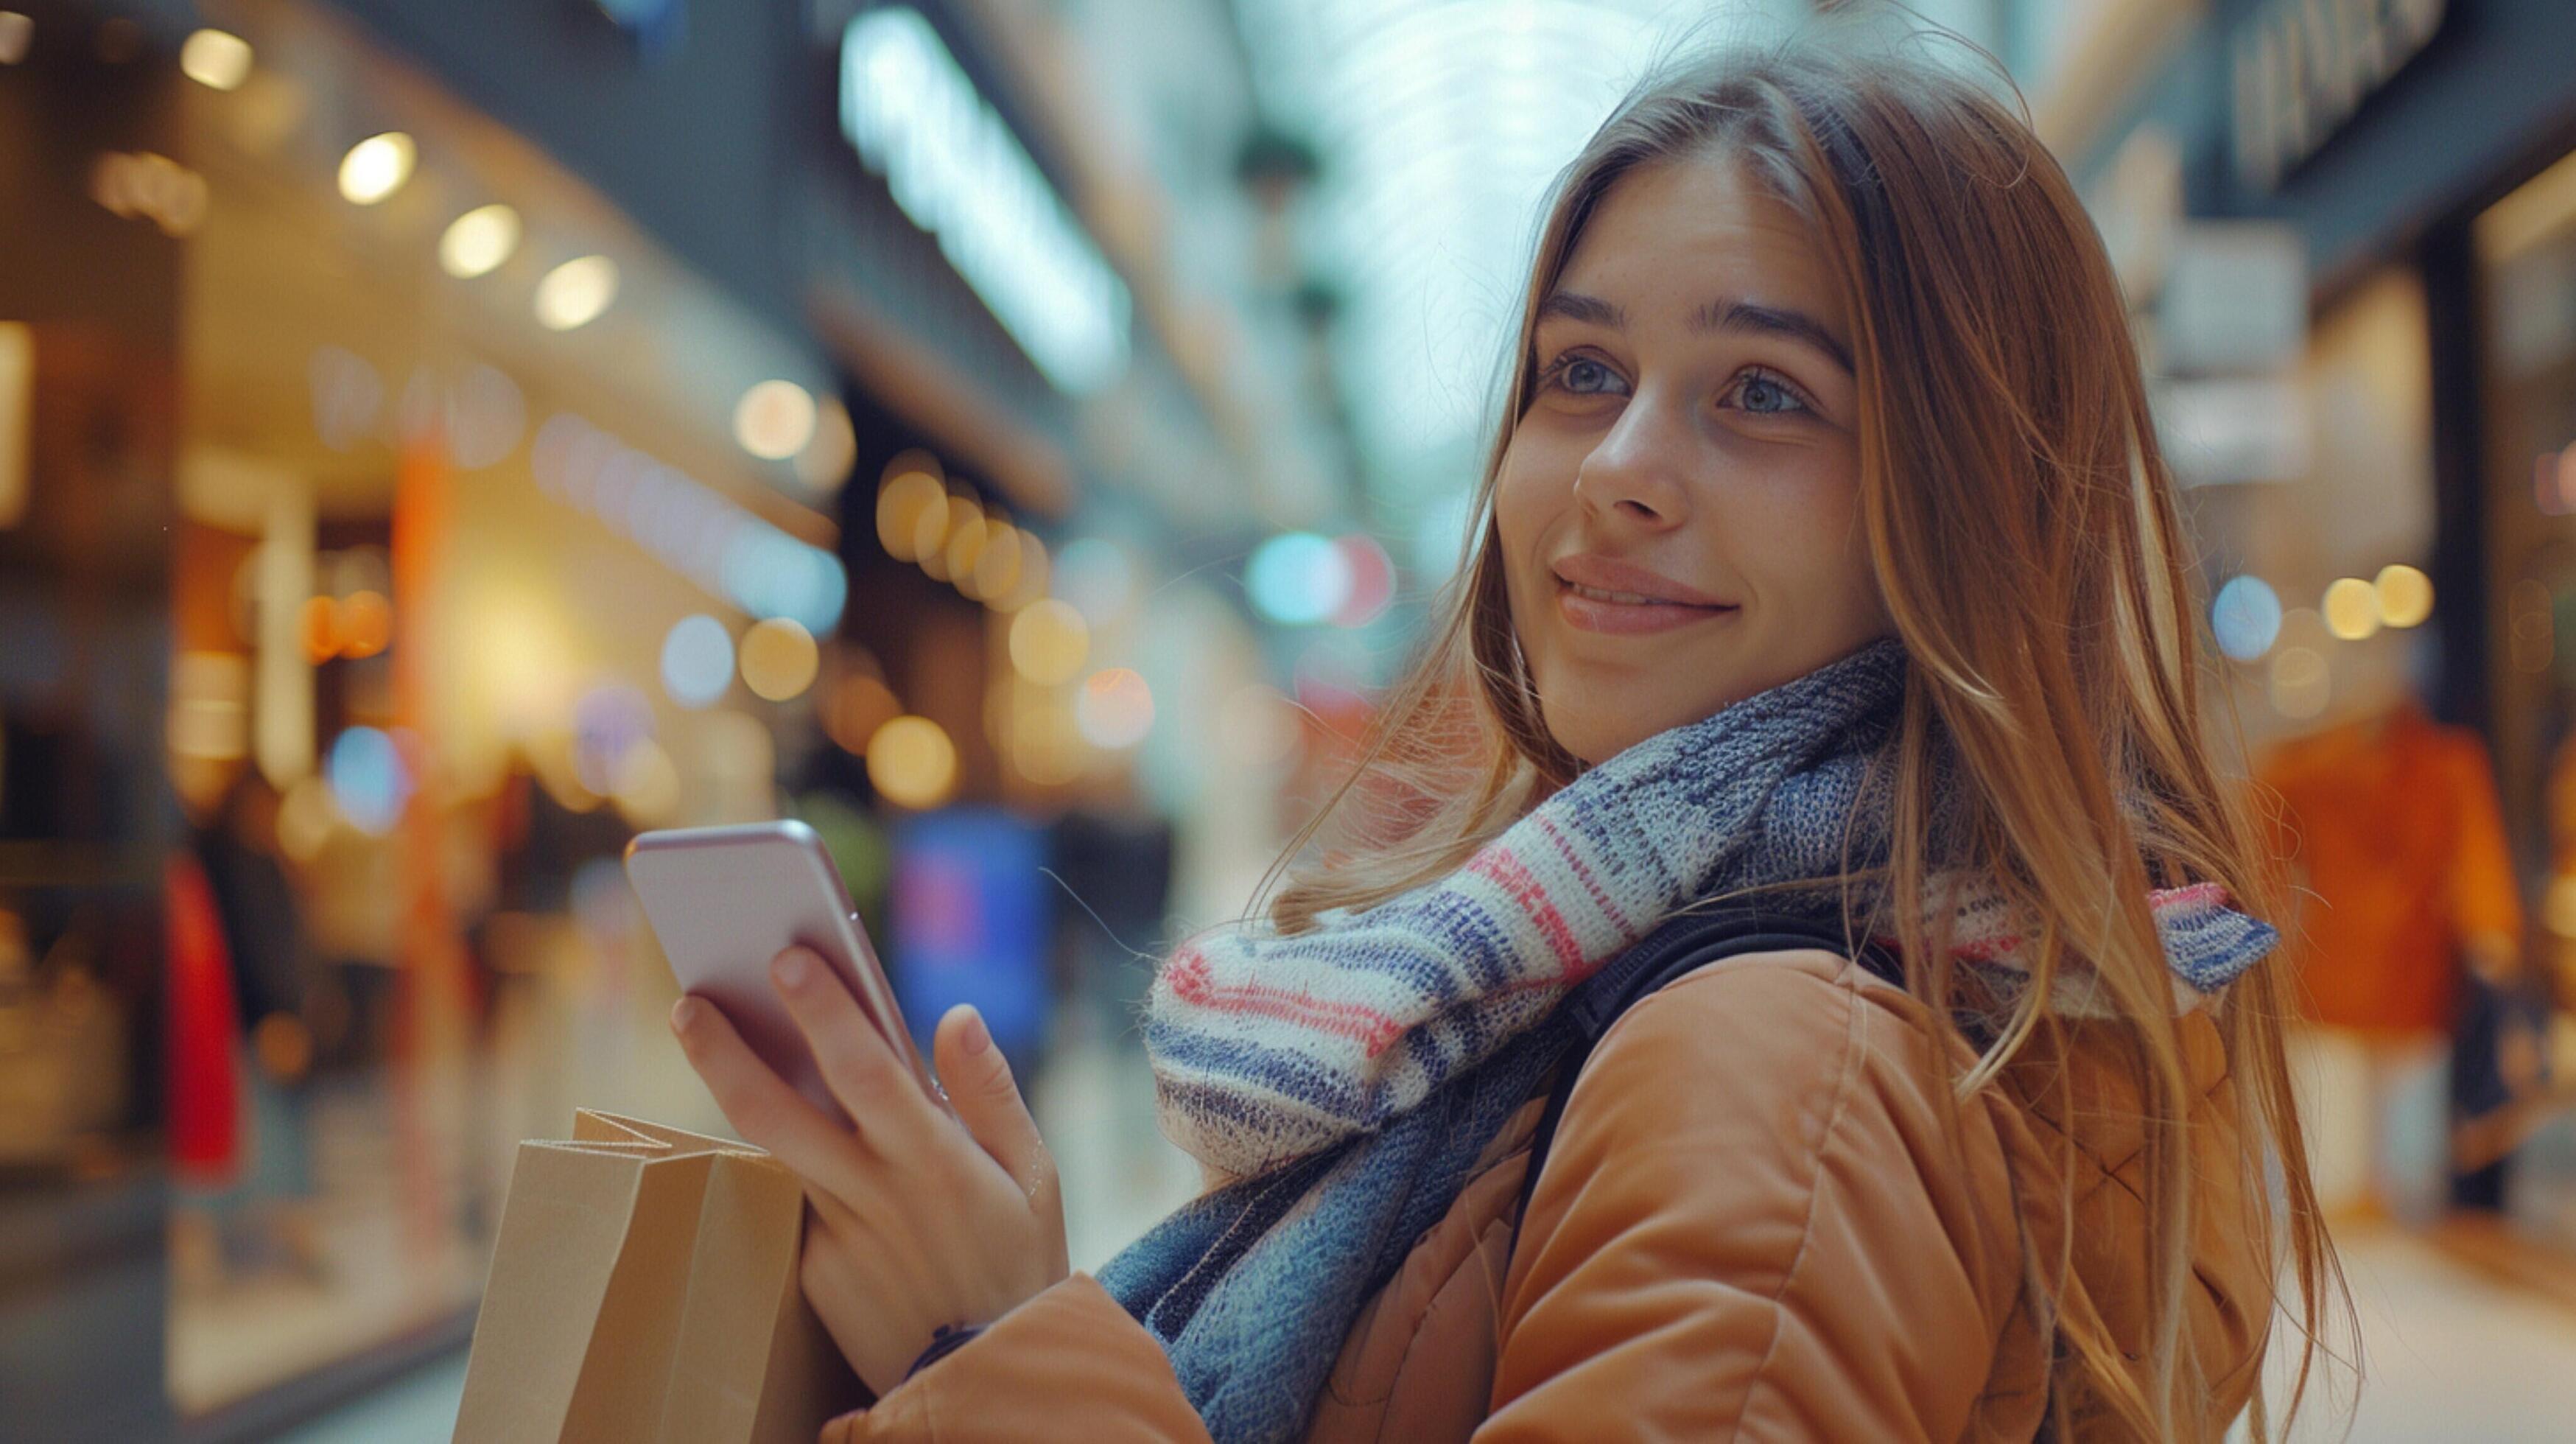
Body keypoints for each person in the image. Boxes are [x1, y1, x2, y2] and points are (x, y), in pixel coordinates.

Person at [672, 35, 2343, 1443]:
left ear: (1978, 492)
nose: (1618, 463)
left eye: (1764, 392)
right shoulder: (1859, 965)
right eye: (1580, 367)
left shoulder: (1777, 1055)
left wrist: (990, 1351)